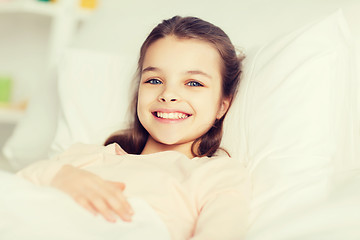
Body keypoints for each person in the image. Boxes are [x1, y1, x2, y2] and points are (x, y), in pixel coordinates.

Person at [17, 16, 250, 239]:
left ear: (222, 105)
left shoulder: (214, 175)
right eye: (154, 80)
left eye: (193, 83)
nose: (168, 94)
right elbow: (14, 193)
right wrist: (58, 175)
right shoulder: (83, 157)